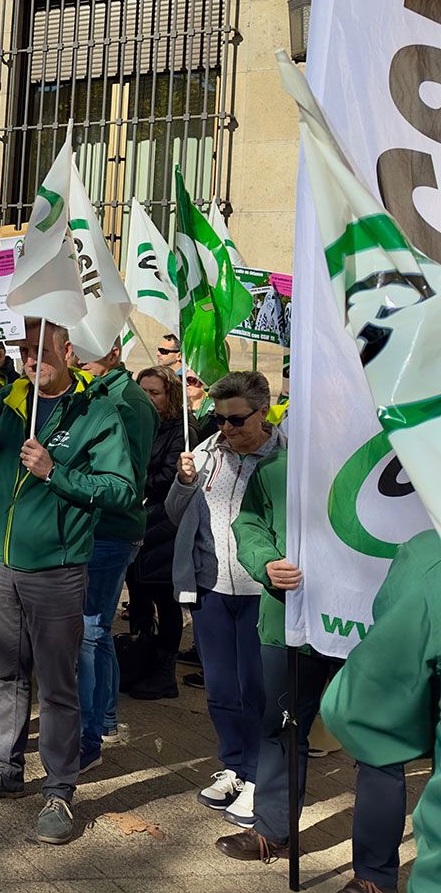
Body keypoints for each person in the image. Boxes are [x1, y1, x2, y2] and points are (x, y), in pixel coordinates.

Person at [0, 319, 136, 846]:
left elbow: (122, 490)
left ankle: (59, 788)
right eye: (24, 350)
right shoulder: (13, 406)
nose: (30, 360)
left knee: (58, 684)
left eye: (40, 351)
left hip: (56, 569)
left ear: (69, 350)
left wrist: (56, 472)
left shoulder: (97, 413)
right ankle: (6, 768)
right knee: (6, 673)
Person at [215, 449, 410, 893]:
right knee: (280, 728)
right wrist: (265, 561)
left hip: (374, 627)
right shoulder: (284, 462)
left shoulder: (407, 457)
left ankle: (375, 877)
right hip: (292, 621)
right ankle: (271, 829)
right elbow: (249, 523)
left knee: (378, 748)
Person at [167, 370, 283, 829]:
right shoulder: (206, 452)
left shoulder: (287, 457)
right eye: (219, 419)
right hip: (211, 587)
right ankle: (235, 765)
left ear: (263, 413)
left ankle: (259, 776)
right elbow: (176, 514)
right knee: (220, 689)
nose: (227, 429)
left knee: (258, 691)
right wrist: (182, 480)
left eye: (237, 421)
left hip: (263, 594)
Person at [320, 531, 439, 892]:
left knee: (379, 754)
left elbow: (395, 620)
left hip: (407, 659)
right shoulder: (426, 550)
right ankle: (373, 875)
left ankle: (373, 876)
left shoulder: (427, 553)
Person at [75, 341, 157, 770]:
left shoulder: (127, 400)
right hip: (99, 526)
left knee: (92, 628)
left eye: (87, 346)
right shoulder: (103, 392)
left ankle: (95, 728)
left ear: (112, 348)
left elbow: (123, 475)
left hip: (110, 528)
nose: (76, 353)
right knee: (95, 630)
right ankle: (103, 716)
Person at [123, 365, 202, 699]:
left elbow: (173, 475)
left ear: (169, 395)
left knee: (164, 599)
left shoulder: (182, 429)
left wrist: (132, 483)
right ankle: (138, 658)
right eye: (143, 391)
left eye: (154, 392)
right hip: (137, 519)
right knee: (137, 593)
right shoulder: (137, 423)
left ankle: (164, 671)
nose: (147, 398)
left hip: (165, 521)